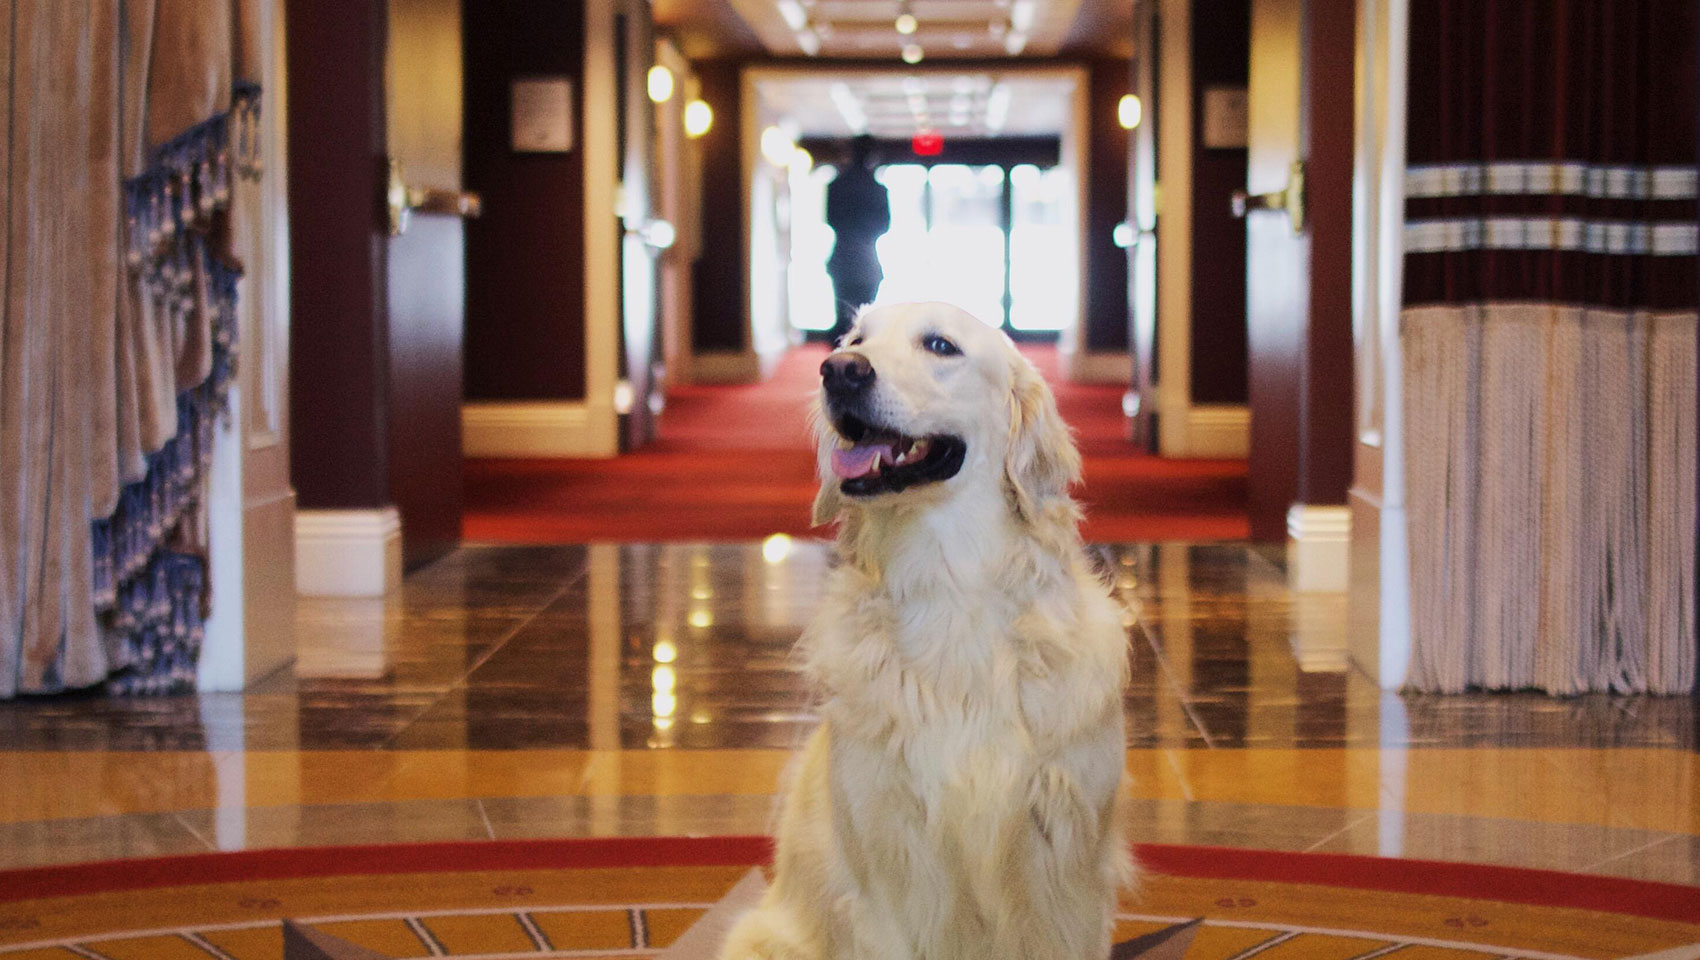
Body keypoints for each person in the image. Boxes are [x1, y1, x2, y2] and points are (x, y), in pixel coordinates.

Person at [823, 134, 891, 340]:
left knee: (843, 318)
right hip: (866, 262)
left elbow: (831, 220)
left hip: (842, 259)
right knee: (862, 321)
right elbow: (884, 226)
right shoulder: (878, 189)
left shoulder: (836, 185)